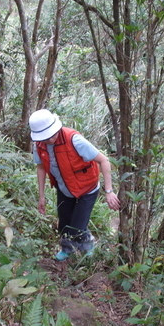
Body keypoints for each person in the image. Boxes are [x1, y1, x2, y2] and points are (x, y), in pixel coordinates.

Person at [29, 109, 120, 261]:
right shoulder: (39, 145)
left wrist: (109, 191)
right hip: (64, 188)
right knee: (64, 224)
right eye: (46, 137)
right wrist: (41, 197)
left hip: (87, 188)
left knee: (77, 227)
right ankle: (67, 249)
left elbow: (103, 160)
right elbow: (40, 167)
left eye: (52, 135)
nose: (50, 140)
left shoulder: (74, 140)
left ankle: (88, 247)